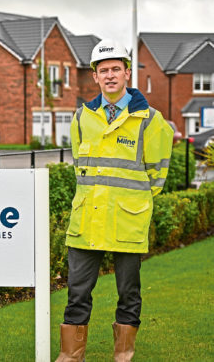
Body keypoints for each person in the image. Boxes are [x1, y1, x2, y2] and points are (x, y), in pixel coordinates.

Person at [54, 39, 174, 362]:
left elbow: (157, 175)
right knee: (77, 292)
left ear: (127, 73)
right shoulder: (81, 118)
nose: (109, 76)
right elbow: (82, 168)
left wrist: (130, 202)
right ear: (94, 76)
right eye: (103, 70)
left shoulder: (149, 120)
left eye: (115, 69)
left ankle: (123, 355)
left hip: (127, 219)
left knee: (128, 293)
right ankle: (71, 355)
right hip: (86, 220)